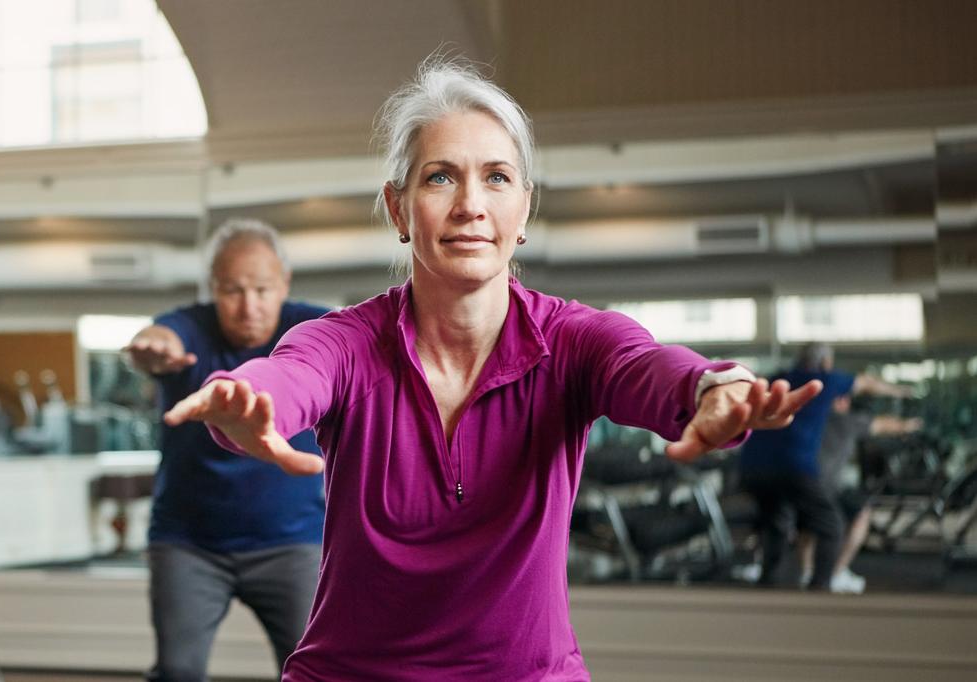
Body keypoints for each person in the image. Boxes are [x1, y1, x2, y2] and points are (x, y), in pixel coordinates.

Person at [161, 58, 820, 681]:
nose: (471, 204)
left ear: (524, 208)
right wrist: (246, 400)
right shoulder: (346, 342)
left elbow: (645, 364)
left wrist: (711, 385)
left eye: (497, 177)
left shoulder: (572, 340)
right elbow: (290, 375)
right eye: (440, 177)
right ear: (398, 207)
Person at [124, 218, 330, 682]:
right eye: (233, 290)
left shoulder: (312, 327)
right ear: (213, 287)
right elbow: (163, 337)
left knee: (315, 670)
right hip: (189, 545)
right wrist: (151, 348)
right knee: (177, 670)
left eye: (262, 289)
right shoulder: (191, 327)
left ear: (284, 283)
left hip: (293, 543)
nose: (249, 306)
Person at [739, 342, 911, 591]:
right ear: (826, 363)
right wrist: (900, 391)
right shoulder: (824, 381)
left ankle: (768, 583)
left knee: (777, 522)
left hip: (752, 465)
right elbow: (867, 384)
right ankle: (819, 588)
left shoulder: (778, 378)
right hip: (793, 465)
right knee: (831, 524)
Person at [793, 387, 920, 593]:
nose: (847, 402)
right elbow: (882, 424)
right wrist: (910, 425)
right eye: (843, 398)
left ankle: (806, 572)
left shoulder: (809, 420)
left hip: (804, 483)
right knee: (861, 514)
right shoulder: (845, 421)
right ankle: (836, 573)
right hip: (827, 487)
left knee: (809, 523)